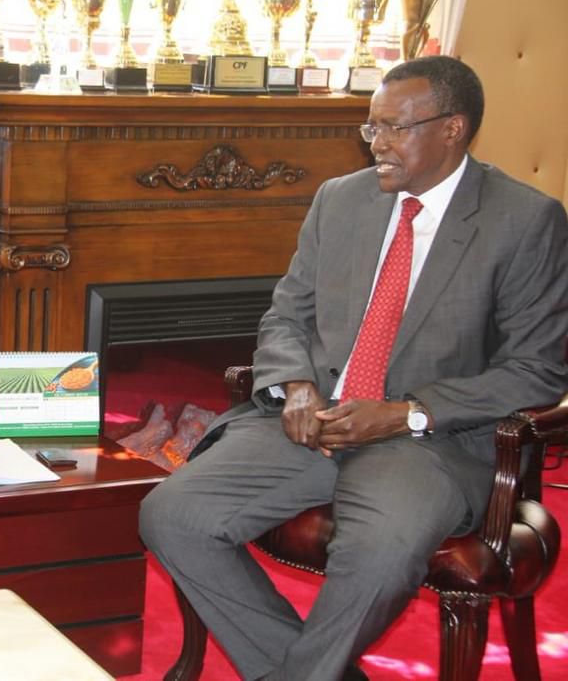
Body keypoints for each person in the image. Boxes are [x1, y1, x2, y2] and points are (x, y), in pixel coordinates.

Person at [139, 56, 568, 681]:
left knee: (378, 554)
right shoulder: (339, 200)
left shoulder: (524, 220)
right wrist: (298, 387)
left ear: (453, 129)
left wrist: (408, 414)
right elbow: (286, 315)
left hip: (429, 444)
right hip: (310, 426)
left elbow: (536, 370)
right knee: (172, 515)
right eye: (371, 129)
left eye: (395, 128)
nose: (377, 146)